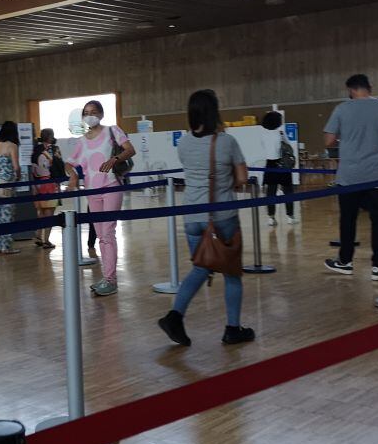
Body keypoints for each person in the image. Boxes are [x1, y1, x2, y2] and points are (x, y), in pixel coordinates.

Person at [158, 90, 255, 347]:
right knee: (232, 273)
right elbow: (243, 178)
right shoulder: (226, 142)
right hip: (221, 215)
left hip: (192, 216)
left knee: (201, 267)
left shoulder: (184, 143)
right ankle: (233, 328)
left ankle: (175, 315)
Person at [323, 74, 378, 280]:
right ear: (370, 87)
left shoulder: (342, 109)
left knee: (348, 219)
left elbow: (328, 141)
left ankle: (345, 261)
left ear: (350, 90)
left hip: (350, 175)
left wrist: (346, 135)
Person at [65, 100, 135, 296]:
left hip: (111, 185)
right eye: (86, 113)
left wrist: (115, 159)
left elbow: (130, 149)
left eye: (94, 112)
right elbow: (69, 163)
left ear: (102, 114)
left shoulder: (113, 131)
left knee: (108, 232)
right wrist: (72, 174)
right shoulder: (81, 142)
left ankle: (110, 279)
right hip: (92, 190)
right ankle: (107, 277)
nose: (90, 115)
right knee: (101, 235)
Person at [0, 121, 22, 255]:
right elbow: (16, 167)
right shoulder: (12, 146)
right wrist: (17, 176)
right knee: (7, 215)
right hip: (7, 184)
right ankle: (6, 246)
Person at [260, 111, 296, 226]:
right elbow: (288, 146)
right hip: (282, 164)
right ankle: (290, 216)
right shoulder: (280, 133)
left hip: (270, 164)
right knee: (287, 191)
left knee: (271, 192)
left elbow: (264, 147)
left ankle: (271, 218)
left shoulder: (263, 134)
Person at [31, 129, 60, 249]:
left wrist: (33, 186)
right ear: (50, 137)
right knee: (49, 212)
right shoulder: (54, 149)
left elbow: (32, 168)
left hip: (37, 184)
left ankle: (38, 235)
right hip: (50, 183)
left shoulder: (35, 150)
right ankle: (46, 240)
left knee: (40, 212)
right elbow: (58, 166)